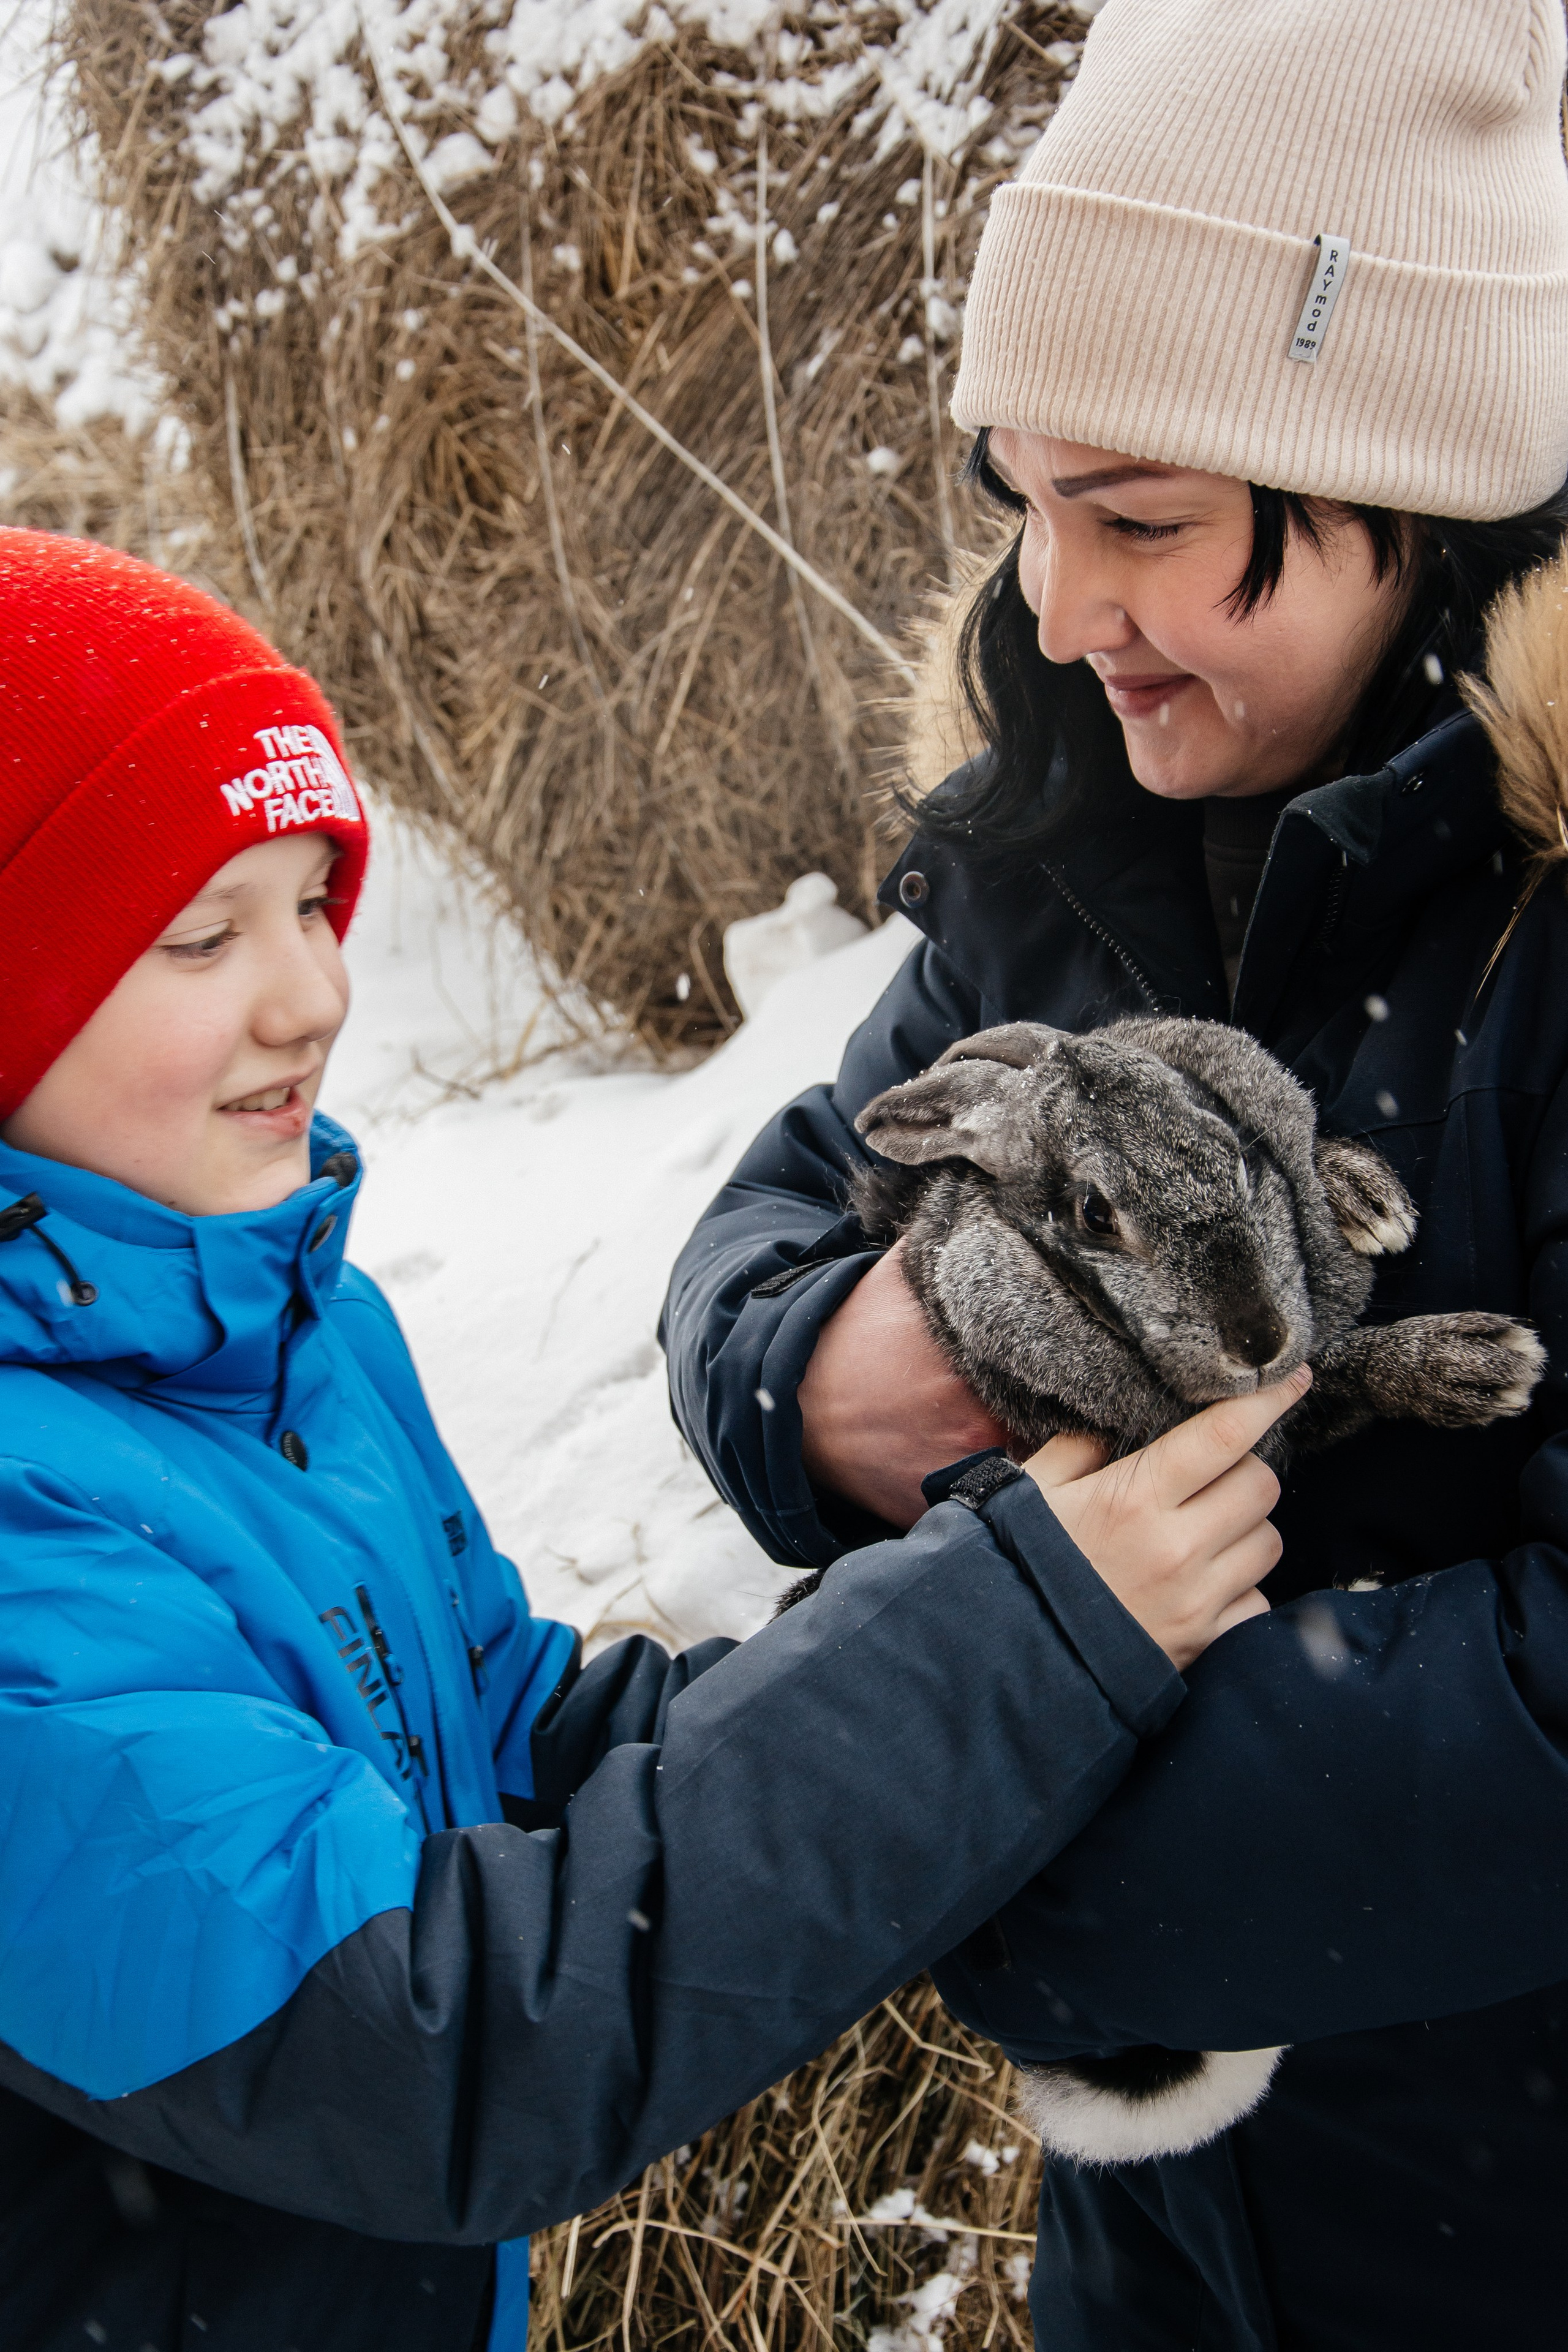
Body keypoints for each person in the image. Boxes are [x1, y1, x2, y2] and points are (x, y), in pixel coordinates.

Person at [0, 527, 1302, 2352]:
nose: (313, 996)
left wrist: (959, 1652)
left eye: (314, 902)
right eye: (203, 935)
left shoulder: (285, 1333)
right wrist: (1008, 1644)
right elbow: (440, 2048)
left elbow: (503, 1743)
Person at [662, 1, 1568, 2343]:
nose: (1061, 613)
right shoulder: (1068, 845)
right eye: (1024, 502)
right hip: (1162, 2260)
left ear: (1413, 485)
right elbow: (786, 1210)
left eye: (1141, 519)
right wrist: (817, 1373)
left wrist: (1001, 1814)